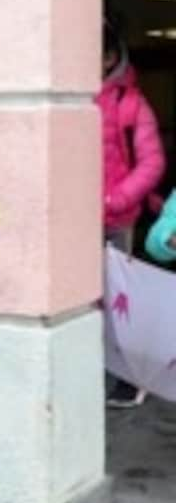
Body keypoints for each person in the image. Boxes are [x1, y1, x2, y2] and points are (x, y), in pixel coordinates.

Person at [100, 20, 165, 408]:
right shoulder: (66, 102)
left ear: (108, 59)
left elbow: (152, 163)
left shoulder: (131, 103)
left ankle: (129, 377)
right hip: (72, 219)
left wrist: (116, 200)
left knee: (121, 301)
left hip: (117, 219)